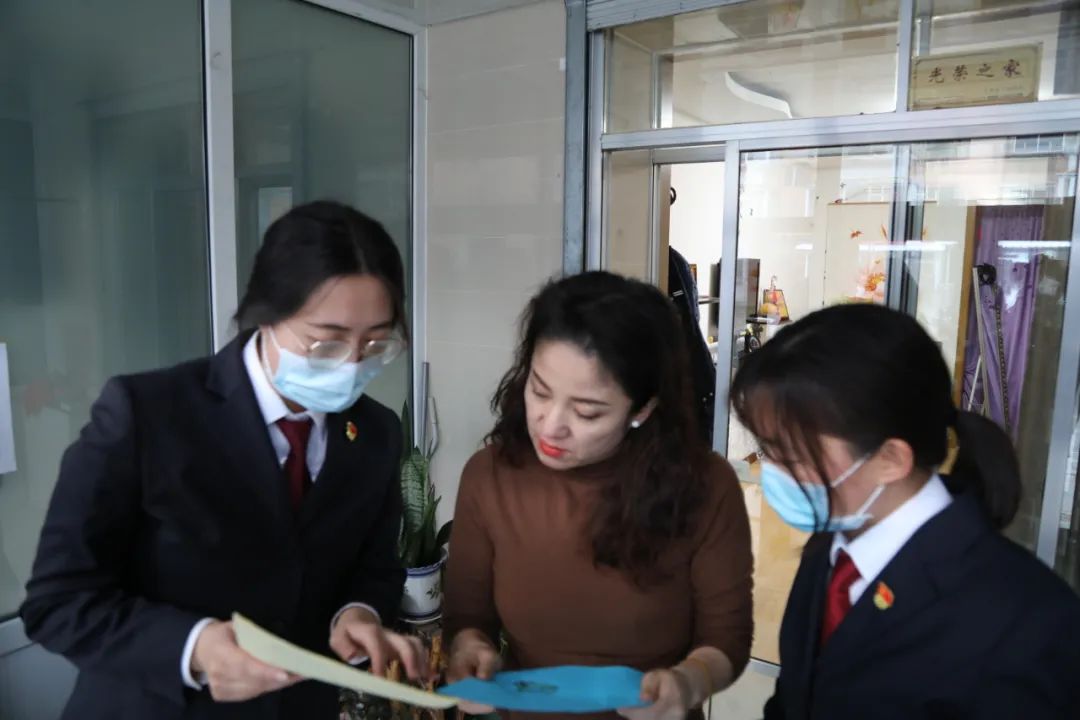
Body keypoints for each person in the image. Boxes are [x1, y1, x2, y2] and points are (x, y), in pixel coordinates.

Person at [21, 201, 427, 720]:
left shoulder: (375, 433)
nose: (352, 364)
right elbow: (58, 601)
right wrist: (194, 647)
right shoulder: (146, 416)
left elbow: (375, 567)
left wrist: (358, 613)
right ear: (267, 314)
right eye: (327, 342)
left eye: (375, 343)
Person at [728, 303, 1080, 719]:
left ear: (891, 459)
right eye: (765, 449)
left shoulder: (1027, 623)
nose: (770, 471)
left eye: (789, 454)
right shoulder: (830, 552)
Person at [443, 271, 754, 720]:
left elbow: (726, 638)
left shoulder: (706, 487)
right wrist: (469, 649)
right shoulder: (489, 476)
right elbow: (467, 619)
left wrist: (688, 682)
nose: (551, 426)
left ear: (643, 409)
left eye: (587, 412)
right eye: (539, 391)